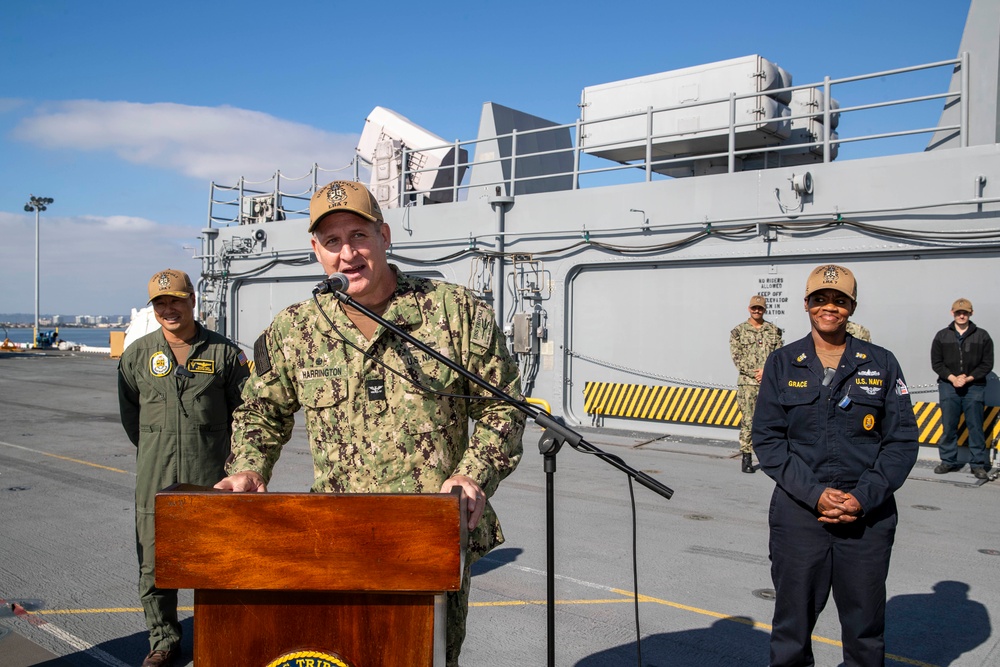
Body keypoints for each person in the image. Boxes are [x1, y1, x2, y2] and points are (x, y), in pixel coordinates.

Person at [214, 180, 525, 667]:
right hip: (337, 538)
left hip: (430, 537)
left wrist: (472, 474)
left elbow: (502, 406)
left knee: (427, 657)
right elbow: (262, 410)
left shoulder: (457, 312)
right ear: (316, 250)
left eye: (358, 235)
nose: (348, 254)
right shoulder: (295, 330)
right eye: (332, 242)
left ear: (383, 235)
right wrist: (249, 469)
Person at [753, 264, 918, 667]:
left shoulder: (881, 362)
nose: (831, 307)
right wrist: (815, 494)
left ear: (852, 307)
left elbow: (901, 441)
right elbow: (769, 439)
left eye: (840, 300)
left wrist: (861, 499)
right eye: (821, 299)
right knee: (791, 627)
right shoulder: (782, 362)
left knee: (864, 631)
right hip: (800, 513)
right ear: (807, 304)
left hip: (866, 517)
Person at [118, 269, 251, 667]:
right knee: (155, 561)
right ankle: (163, 640)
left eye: (175, 300)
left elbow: (247, 414)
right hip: (156, 476)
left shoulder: (225, 354)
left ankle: (218, 634)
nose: (168, 308)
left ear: (192, 299)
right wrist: (157, 449)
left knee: (218, 559)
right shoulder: (137, 356)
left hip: (212, 476)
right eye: (160, 303)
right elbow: (131, 416)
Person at [930, 298, 994, 479]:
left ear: (971, 313)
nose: (962, 315)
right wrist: (952, 378)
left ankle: (978, 464)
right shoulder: (942, 335)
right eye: (958, 312)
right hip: (948, 386)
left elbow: (987, 364)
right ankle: (948, 461)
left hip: (974, 386)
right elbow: (937, 362)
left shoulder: (982, 336)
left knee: (975, 426)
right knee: (949, 425)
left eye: (965, 312)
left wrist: (968, 378)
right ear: (952, 313)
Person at [730, 294, 783, 473]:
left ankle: (768, 456)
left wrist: (766, 372)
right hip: (747, 384)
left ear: (764, 309)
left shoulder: (774, 331)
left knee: (770, 420)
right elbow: (737, 358)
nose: (757, 311)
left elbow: (778, 356)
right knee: (748, 420)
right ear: (749, 309)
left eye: (760, 308)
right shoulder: (738, 332)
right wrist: (756, 373)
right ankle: (746, 457)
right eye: (754, 308)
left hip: (768, 383)